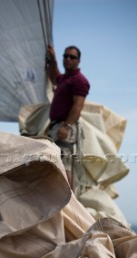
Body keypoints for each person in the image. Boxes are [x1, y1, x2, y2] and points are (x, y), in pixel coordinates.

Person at [46, 44, 90, 189]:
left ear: (79, 61)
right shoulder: (65, 78)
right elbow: (54, 77)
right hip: (58, 127)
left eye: (72, 57)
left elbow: (78, 105)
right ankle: (66, 203)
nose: (68, 59)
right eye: (65, 56)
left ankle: (71, 205)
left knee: (64, 167)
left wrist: (66, 126)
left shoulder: (79, 80)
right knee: (59, 166)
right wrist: (52, 59)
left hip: (65, 127)